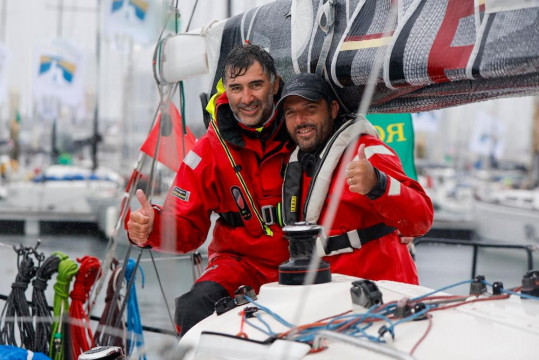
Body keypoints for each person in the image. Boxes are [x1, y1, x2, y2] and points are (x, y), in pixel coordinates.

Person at [126, 44, 294, 336]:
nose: (247, 98)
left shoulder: (301, 130)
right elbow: (187, 228)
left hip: (304, 261)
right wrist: (151, 228)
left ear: (275, 84)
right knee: (193, 307)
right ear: (225, 90)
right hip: (240, 264)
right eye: (236, 87)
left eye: (256, 85)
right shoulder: (209, 150)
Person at [279, 73, 433, 284]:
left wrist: (378, 184)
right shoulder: (296, 164)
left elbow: (421, 218)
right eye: (291, 113)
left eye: (310, 109)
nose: (300, 120)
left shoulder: (367, 151)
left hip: (380, 294)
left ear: (333, 109)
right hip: (325, 294)